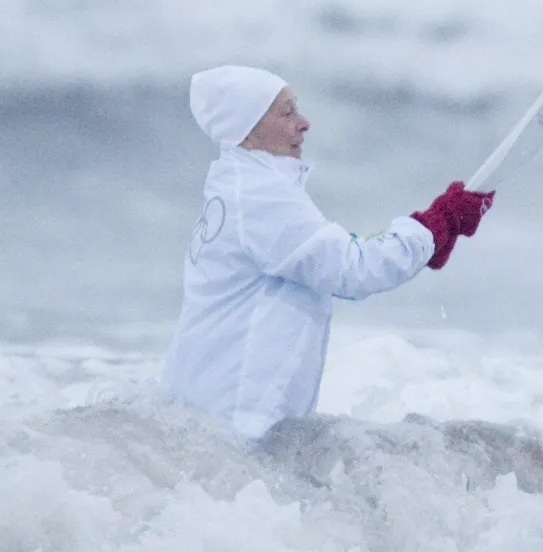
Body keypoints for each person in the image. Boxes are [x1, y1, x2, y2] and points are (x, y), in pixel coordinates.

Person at [162, 65, 494, 439]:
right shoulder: (259, 197)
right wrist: (439, 222)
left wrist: (431, 234)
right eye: (286, 113)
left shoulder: (240, 188)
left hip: (209, 419)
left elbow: (329, 254)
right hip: (234, 425)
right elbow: (354, 271)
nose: (304, 123)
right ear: (248, 130)